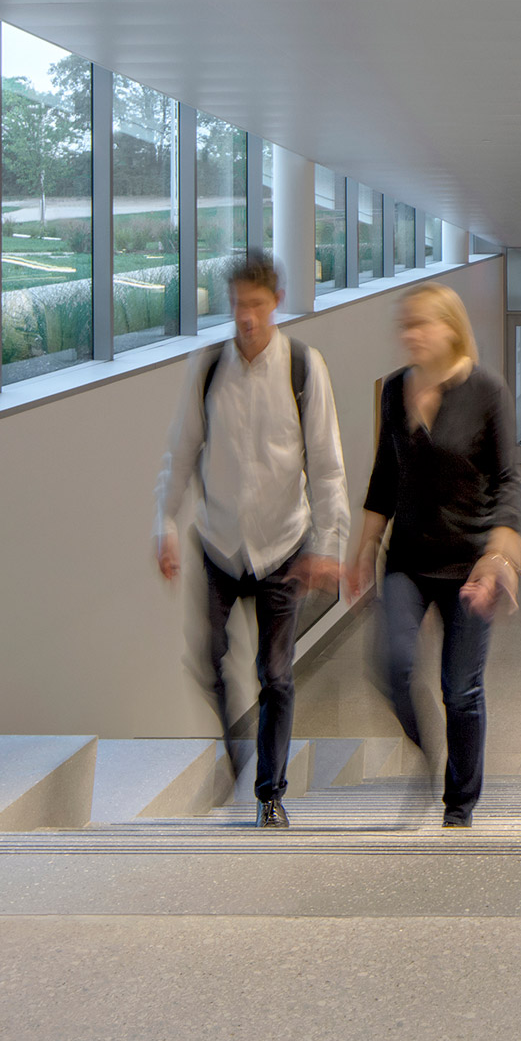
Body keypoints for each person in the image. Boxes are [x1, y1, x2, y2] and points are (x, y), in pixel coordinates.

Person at [151, 249, 348, 829]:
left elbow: (329, 466)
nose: (246, 317)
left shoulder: (304, 367)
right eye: (238, 305)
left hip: (284, 548)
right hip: (217, 543)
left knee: (276, 675)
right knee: (207, 659)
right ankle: (234, 746)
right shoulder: (208, 367)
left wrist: (328, 547)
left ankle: (269, 793)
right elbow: (180, 452)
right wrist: (163, 524)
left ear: (276, 303)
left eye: (257, 305)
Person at [349, 283, 521, 828]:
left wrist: (499, 557)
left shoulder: (486, 391)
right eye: (405, 326)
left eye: (421, 324)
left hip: (469, 563)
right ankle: (428, 750)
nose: (410, 336)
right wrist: (365, 546)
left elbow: (508, 482)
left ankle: (459, 805)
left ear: (450, 326)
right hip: (407, 559)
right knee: (392, 665)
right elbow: (386, 472)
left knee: (461, 689)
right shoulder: (394, 388)